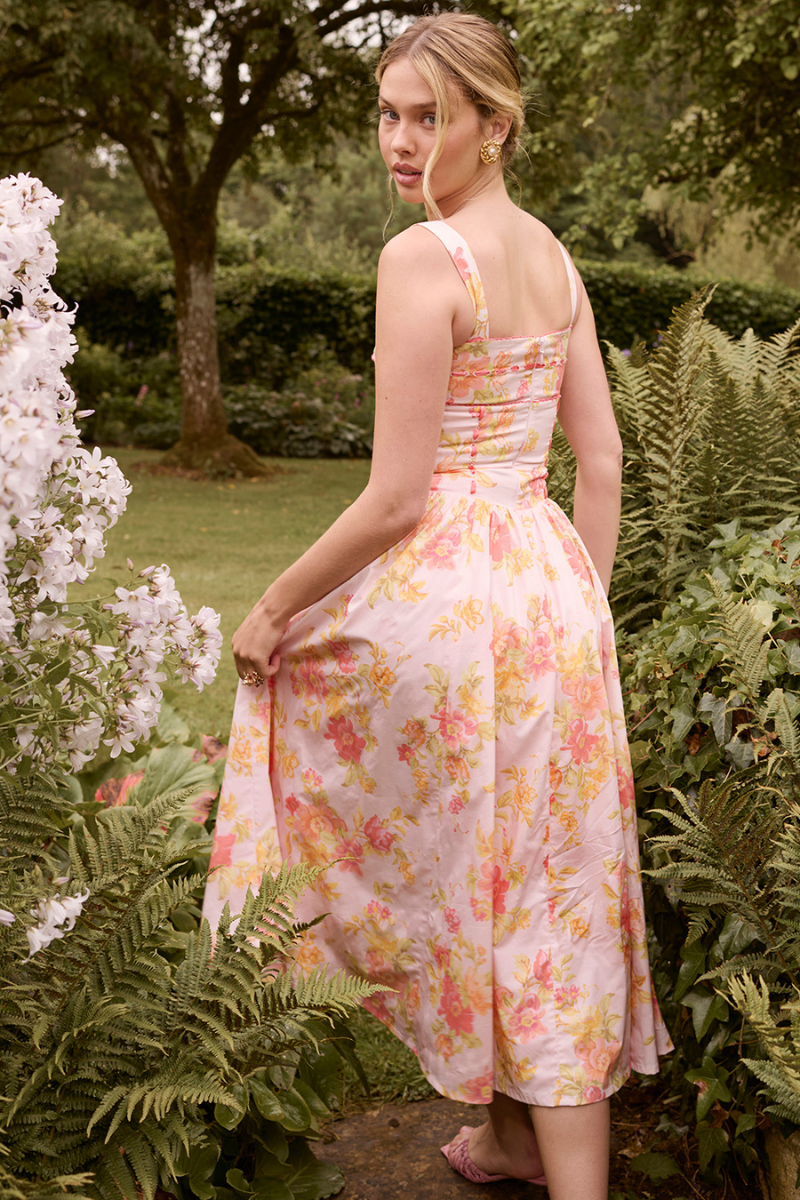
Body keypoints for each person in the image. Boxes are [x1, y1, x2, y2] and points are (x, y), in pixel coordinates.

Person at [203, 12, 672, 1198]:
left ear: (493, 125)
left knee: (368, 775)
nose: (400, 141)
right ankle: (521, 1147)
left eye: (429, 117)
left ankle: (464, 1087)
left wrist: (272, 607)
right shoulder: (554, 259)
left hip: (452, 596)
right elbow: (601, 461)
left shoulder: (423, 259)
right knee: (545, 886)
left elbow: (395, 498)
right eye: (387, 114)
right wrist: (582, 615)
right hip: (552, 594)